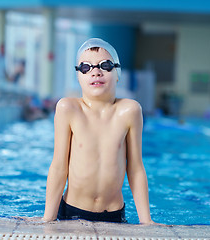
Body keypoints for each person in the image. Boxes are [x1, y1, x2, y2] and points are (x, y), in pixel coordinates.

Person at [42, 38, 155, 224]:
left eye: (105, 65)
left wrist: (146, 222)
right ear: (78, 76)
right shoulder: (68, 108)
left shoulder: (130, 110)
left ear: (117, 73)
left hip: (114, 214)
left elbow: (135, 168)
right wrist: (48, 218)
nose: (96, 72)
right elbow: (58, 166)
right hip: (72, 211)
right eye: (86, 67)